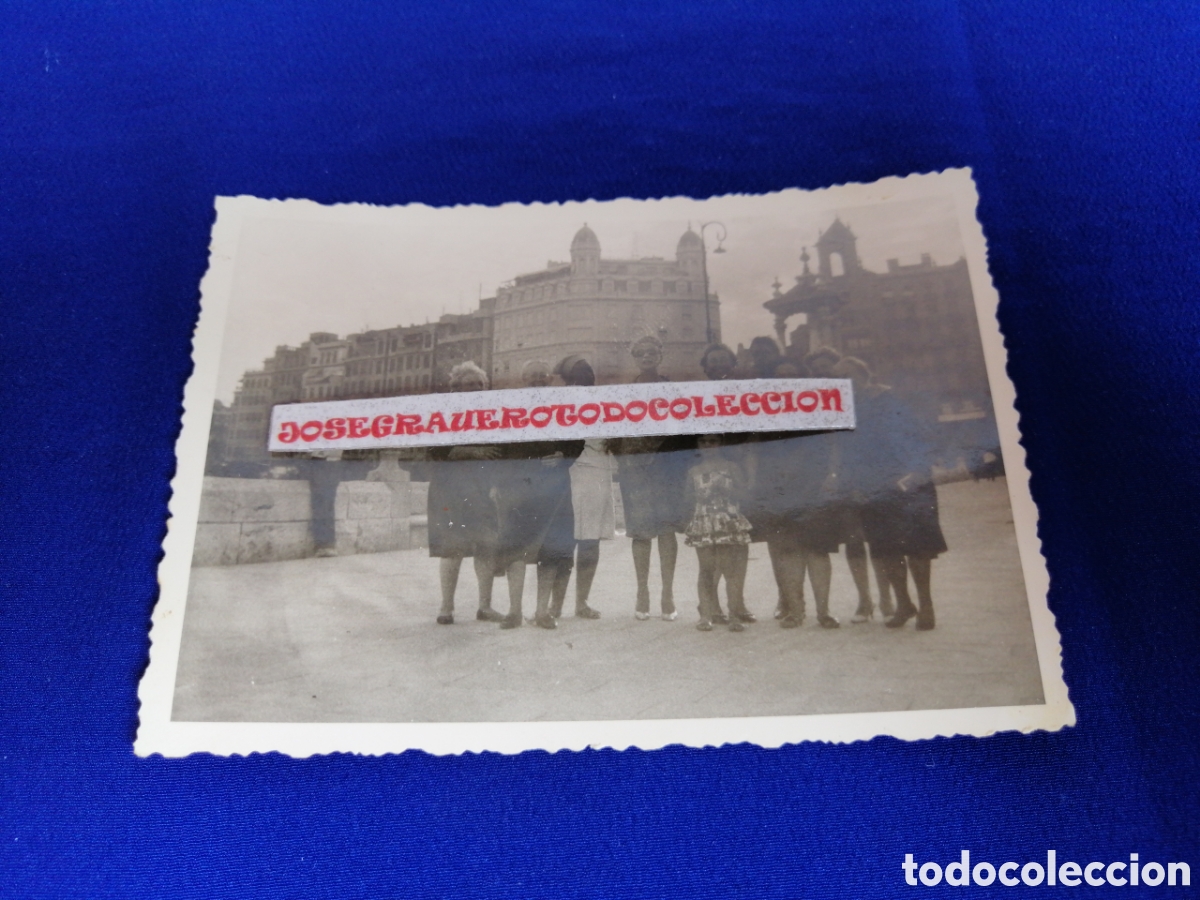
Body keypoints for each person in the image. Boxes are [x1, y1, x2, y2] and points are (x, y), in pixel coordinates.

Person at [832, 356, 947, 630]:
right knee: (885, 549)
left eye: (850, 375)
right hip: (873, 488)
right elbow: (846, 454)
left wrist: (916, 472)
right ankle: (904, 604)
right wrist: (853, 486)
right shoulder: (846, 412)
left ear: (865, 374)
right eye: (839, 379)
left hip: (909, 484)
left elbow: (923, 438)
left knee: (917, 548)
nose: (845, 382)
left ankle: (926, 606)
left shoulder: (894, 400)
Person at [805, 346, 894, 622]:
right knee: (854, 540)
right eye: (817, 371)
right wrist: (833, 475)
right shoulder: (829, 403)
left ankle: (886, 599)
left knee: (878, 538)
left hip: (877, 476)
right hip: (847, 476)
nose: (824, 374)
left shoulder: (880, 397)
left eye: (829, 368)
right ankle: (865, 601)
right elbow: (833, 444)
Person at [493, 360, 584, 630]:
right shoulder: (511, 409)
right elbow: (501, 449)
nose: (537, 381)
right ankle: (514, 611)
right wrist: (500, 483)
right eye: (531, 377)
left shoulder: (562, 407)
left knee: (552, 549)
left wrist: (563, 455)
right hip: (519, 487)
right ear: (523, 381)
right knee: (515, 549)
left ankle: (542, 612)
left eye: (541, 376)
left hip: (555, 486)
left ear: (550, 379)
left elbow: (578, 441)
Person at [613, 335, 688, 620]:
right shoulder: (625, 393)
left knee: (666, 530)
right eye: (640, 353)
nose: (646, 357)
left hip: (667, 468)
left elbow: (684, 429)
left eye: (651, 352)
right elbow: (616, 431)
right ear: (634, 357)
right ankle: (642, 592)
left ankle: (667, 593)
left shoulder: (673, 390)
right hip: (635, 469)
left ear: (660, 355)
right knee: (641, 532)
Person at [425, 361, 504, 625]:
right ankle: (446, 607)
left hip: (482, 489)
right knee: (452, 548)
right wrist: (469, 451)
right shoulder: (441, 413)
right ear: (456, 388)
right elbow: (433, 451)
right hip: (449, 490)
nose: (478, 388)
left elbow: (499, 453)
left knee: (487, 546)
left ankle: (485, 607)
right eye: (472, 384)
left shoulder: (491, 415)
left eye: (481, 384)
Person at [550, 354, 611, 620]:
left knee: (590, 541)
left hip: (597, 471)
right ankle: (555, 605)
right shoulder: (559, 402)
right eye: (576, 373)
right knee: (565, 540)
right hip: (569, 472)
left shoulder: (605, 402)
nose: (583, 376)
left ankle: (582, 602)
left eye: (587, 371)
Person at [684, 433, 754, 632]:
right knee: (706, 569)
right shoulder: (694, 471)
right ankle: (706, 615)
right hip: (705, 521)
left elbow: (744, 494)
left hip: (727, 520)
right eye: (703, 441)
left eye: (712, 441)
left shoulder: (731, 467)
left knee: (730, 570)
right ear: (698, 445)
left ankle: (734, 615)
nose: (708, 445)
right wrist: (698, 501)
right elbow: (687, 498)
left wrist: (727, 490)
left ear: (720, 443)